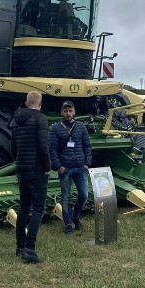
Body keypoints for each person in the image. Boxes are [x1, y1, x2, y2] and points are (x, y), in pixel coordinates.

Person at [10, 91, 51, 263]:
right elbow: (42, 146)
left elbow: (13, 146)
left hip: (22, 168)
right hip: (36, 169)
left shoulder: (16, 119)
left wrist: (19, 161)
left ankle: (20, 246)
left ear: (27, 103)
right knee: (38, 209)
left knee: (24, 208)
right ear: (39, 104)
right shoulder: (40, 119)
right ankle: (30, 248)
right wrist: (47, 167)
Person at [49, 100, 92, 233]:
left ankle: (76, 217)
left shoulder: (81, 127)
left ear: (74, 112)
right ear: (62, 112)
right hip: (65, 168)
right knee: (65, 197)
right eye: (65, 111)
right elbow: (52, 149)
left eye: (70, 111)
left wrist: (87, 163)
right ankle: (68, 223)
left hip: (80, 168)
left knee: (84, 195)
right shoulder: (56, 128)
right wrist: (58, 166)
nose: (68, 113)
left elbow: (87, 146)